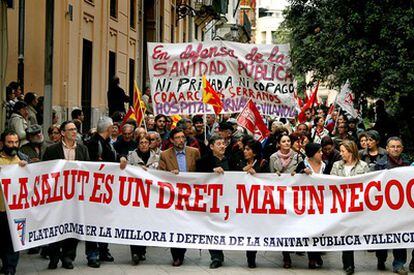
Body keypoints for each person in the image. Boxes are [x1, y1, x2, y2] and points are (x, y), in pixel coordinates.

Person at [42, 121, 90, 270]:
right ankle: (54, 255)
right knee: (56, 224)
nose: (74, 132)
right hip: (57, 195)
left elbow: (88, 169)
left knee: (73, 225)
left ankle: (68, 257)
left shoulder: (83, 149)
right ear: (63, 133)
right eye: (70, 129)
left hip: (76, 195)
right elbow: (43, 170)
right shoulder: (51, 150)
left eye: (75, 129)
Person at [158, 127, 200, 267]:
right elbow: (160, 174)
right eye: (177, 138)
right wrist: (170, 174)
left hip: (190, 195)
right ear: (171, 140)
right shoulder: (165, 155)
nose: (181, 140)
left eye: (183, 137)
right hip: (173, 196)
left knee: (185, 225)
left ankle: (182, 251)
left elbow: (201, 172)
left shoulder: (194, 152)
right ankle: (177, 256)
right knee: (174, 225)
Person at [330, 139, 369, 275]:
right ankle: (348, 264)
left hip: (356, 204)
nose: (340, 154)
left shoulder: (363, 166)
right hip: (341, 204)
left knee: (352, 232)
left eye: (343, 151)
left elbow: (367, 184)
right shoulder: (336, 165)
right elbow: (330, 182)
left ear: (350, 151)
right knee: (346, 233)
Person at [83, 117, 116, 268]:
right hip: (94, 189)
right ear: (108, 128)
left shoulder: (106, 143)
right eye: (112, 127)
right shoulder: (93, 144)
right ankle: (92, 254)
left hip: (106, 189)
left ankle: (103, 250)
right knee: (93, 222)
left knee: (105, 221)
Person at [196, 135, 228, 269]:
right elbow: (197, 177)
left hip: (228, 201)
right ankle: (216, 256)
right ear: (211, 146)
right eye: (219, 144)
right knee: (212, 228)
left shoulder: (232, 159)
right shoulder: (203, 161)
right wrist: (211, 172)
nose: (222, 146)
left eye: (224, 144)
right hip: (211, 202)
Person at [0, 130, 29, 275]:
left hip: (16, 211)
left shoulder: (23, 159)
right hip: (0, 209)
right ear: (2, 144)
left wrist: (27, 168)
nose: (13, 145)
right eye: (9, 142)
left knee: (13, 241)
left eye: (16, 142)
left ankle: (10, 267)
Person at [294, 143, 325, 269]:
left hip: (322, 203)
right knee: (309, 229)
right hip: (305, 203)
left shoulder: (325, 165)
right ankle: (312, 258)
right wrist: (301, 173)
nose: (322, 153)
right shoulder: (303, 164)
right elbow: (293, 179)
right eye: (319, 151)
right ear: (312, 154)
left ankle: (317, 254)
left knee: (319, 230)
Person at [241, 139, 268, 268]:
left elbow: (269, 181)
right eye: (244, 149)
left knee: (255, 230)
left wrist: (256, 175)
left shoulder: (263, 164)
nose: (245, 151)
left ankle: (252, 256)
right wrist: (242, 171)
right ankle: (250, 257)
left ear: (255, 152)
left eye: (248, 149)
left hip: (259, 203)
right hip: (243, 203)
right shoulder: (239, 162)